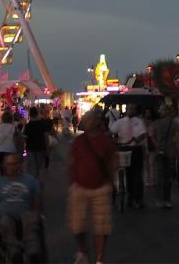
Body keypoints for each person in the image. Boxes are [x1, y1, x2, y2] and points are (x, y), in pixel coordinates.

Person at [69, 110, 116, 264]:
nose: (86, 121)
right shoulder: (79, 141)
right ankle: (83, 249)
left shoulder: (105, 141)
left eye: (89, 119)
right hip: (80, 187)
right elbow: (72, 163)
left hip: (101, 187)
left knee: (101, 226)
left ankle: (99, 259)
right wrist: (72, 184)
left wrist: (112, 182)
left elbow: (111, 163)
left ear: (96, 122)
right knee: (77, 225)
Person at [0, 153, 43, 262]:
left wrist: (37, 213)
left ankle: (33, 252)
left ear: (20, 165)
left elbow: (38, 200)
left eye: (16, 164)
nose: (13, 167)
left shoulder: (30, 180)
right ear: (4, 166)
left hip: (25, 214)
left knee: (31, 220)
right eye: (10, 164)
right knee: (5, 223)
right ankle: (14, 252)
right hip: (6, 216)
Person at [110, 105, 146, 209]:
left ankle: (138, 199)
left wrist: (138, 139)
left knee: (137, 175)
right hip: (124, 150)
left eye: (133, 109)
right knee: (128, 174)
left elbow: (143, 133)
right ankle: (130, 197)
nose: (131, 110)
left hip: (136, 149)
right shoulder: (120, 122)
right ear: (126, 110)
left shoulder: (139, 121)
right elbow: (111, 131)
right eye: (130, 108)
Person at [149, 105, 179, 208]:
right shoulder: (174, 123)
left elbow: (151, 134)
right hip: (170, 152)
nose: (160, 111)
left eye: (161, 110)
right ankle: (167, 200)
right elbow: (178, 137)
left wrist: (156, 143)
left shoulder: (156, 122)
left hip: (159, 152)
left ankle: (159, 200)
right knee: (168, 178)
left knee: (159, 176)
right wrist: (175, 147)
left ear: (166, 111)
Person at [23, 107, 53, 180]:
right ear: (37, 114)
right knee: (39, 166)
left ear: (30, 114)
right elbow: (46, 136)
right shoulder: (42, 123)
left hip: (30, 148)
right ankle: (37, 180)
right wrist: (47, 148)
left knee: (32, 166)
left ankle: (34, 180)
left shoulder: (27, 125)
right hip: (41, 147)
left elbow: (24, 138)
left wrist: (23, 149)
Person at [0, 111, 18, 175]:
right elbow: (15, 140)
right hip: (11, 150)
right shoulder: (13, 128)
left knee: (1, 169)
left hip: (0, 150)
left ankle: (3, 180)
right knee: (10, 169)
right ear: (11, 119)